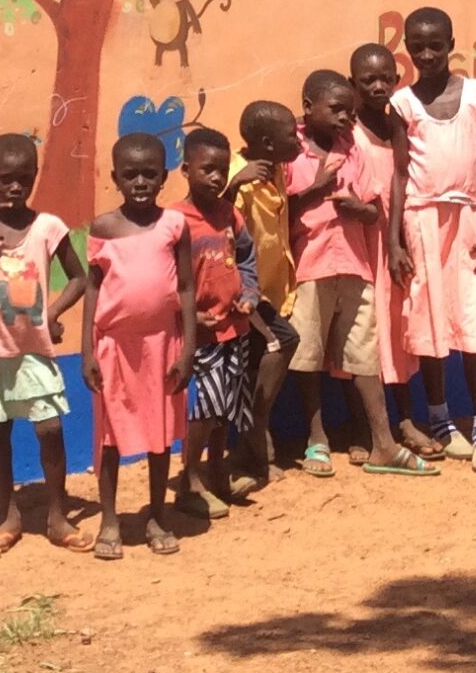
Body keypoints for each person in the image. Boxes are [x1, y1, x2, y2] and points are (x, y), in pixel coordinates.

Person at [0, 132, 92, 554]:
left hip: (34, 350)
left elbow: (80, 278)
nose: (15, 187)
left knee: (50, 429)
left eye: (24, 178)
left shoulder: (48, 227)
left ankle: (57, 516)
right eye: (5, 179)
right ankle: (9, 513)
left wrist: (53, 312)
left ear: (35, 176)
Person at [293, 70, 436, 478]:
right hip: (310, 267)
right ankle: (316, 438)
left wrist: (359, 209)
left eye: (348, 111)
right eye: (336, 110)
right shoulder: (291, 151)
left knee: (363, 356)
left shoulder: (352, 149)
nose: (345, 118)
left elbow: (374, 208)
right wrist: (316, 189)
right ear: (309, 107)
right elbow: (278, 212)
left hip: (356, 265)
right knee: (308, 356)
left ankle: (383, 443)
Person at [390, 7, 476, 472]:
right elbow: (400, 174)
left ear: (451, 44)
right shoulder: (402, 103)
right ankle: (440, 417)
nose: (426, 54)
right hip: (420, 219)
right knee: (430, 318)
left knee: (473, 317)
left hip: (469, 220)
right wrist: (395, 240)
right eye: (417, 46)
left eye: (435, 45)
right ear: (407, 48)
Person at [83, 132, 197, 557]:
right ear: (115, 178)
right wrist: (87, 351)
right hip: (114, 348)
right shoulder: (103, 228)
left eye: (150, 174)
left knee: (160, 434)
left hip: (163, 346)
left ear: (164, 176)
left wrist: (188, 349)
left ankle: (157, 516)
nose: (141, 182)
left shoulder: (174, 225)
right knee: (110, 436)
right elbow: (93, 291)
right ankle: (110, 520)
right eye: (130, 175)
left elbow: (186, 288)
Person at [349, 42, 437, 461]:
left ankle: (404, 419)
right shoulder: (346, 131)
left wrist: (399, 242)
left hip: (394, 245)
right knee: (359, 334)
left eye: (386, 78)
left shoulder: (397, 126)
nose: (378, 86)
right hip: (358, 245)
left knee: (396, 333)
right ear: (352, 83)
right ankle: (362, 428)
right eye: (368, 80)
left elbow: (403, 178)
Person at [175, 126, 267, 520]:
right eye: (207, 169)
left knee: (227, 405)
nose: (216, 178)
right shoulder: (175, 221)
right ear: (186, 170)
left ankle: (217, 471)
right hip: (202, 333)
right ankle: (189, 480)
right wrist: (189, 315)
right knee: (207, 406)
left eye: (222, 170)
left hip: (234, 328)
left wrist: (250, 293)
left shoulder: (231, 214)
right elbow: (164, 278)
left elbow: (245, 257)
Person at [233, 99, 307, 491]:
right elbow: (219, 226)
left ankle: (255, 446)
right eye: (290, 136)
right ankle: (255, 431)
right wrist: (234, 183)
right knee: (284, 340)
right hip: (243, 292)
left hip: (270, 289)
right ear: (266, 143)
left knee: (255, 363)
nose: (298, 142)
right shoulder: (237, 176)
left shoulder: (276, 168)